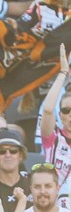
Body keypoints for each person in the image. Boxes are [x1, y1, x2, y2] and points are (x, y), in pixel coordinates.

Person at [40, 45, 71, 192]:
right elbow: (47, 109)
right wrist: (63, 73)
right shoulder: (53, 138)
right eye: (66, 110)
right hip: (52, 202)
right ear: (60, 115)